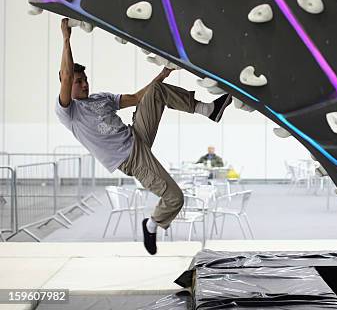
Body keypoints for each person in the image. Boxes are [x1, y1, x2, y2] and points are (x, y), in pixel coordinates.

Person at [55, 18, 232, 255]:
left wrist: (164, 73)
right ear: (67, 85)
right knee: (174, 198)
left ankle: (208, 110)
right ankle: (151, 225)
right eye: (79, 82)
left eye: (85, 80)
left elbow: (138, 98)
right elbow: (66, 74)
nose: (84, 84)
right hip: (131, 158)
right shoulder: (69, 112)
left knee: (155, 91)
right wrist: (66, 39)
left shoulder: (101, 98)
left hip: (136, 133)